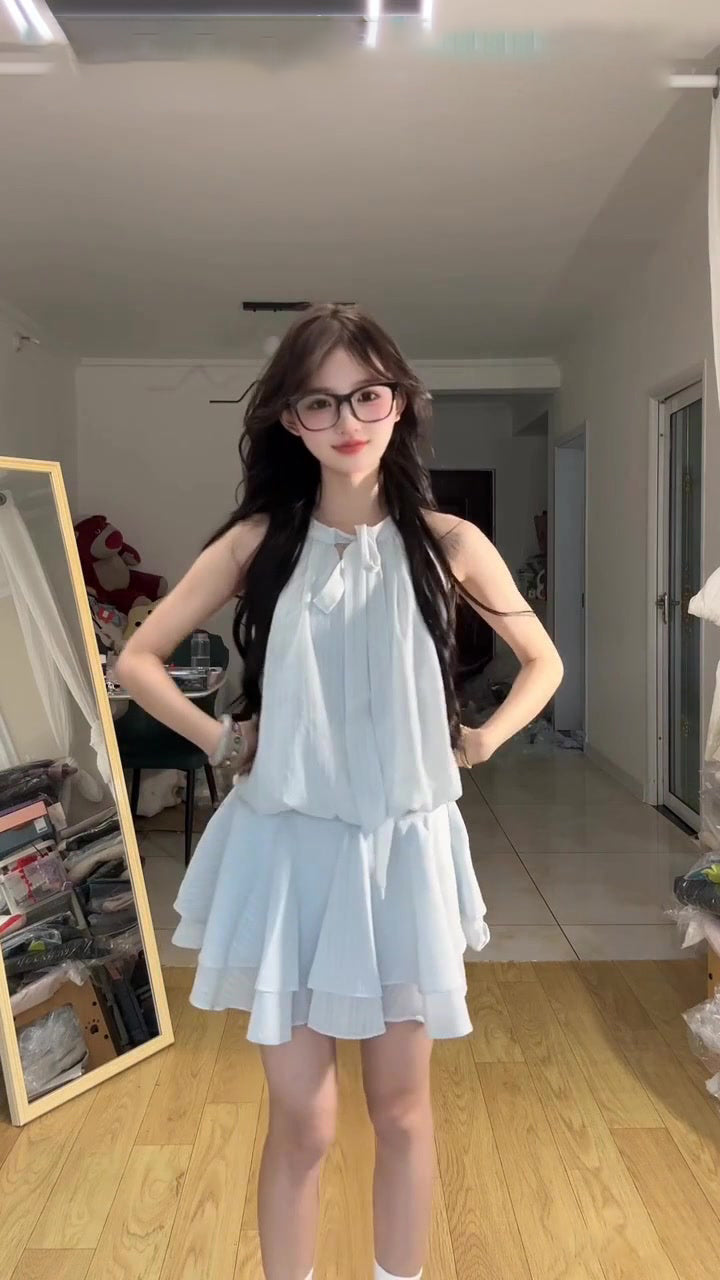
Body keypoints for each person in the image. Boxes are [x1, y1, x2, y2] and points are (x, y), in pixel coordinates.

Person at [116, 303, 563, 1280]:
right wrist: (223, 736)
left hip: (403, 850)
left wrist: (482, 738)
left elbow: (544, 662)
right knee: (305, 1121)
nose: (346, 419)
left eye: (366, 395)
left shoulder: (450, 542)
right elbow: (137, 659)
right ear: (292, 419)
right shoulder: (258, 542)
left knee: (401, 1110)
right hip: (288, 851)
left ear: (399, 401)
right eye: (319, 401)